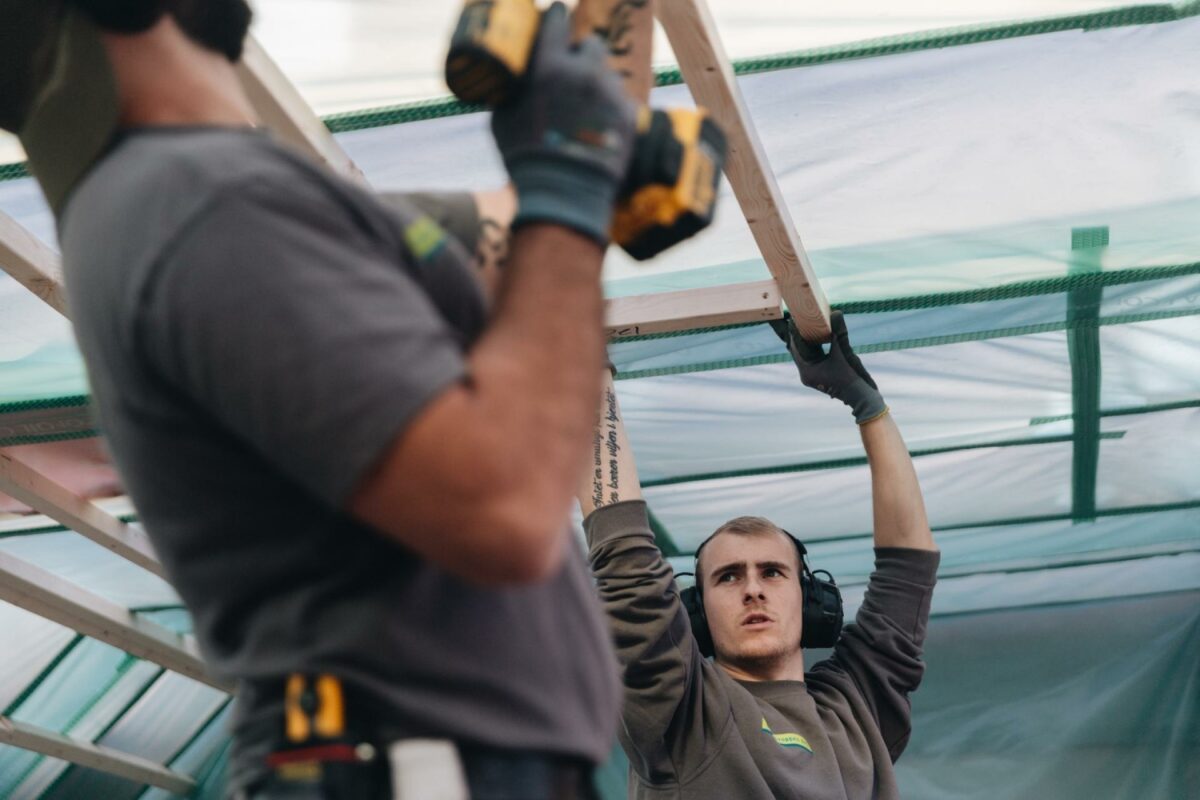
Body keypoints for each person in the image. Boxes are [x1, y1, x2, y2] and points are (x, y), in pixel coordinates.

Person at [2, 2, 642, 798]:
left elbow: (515, 237)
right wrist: (572, 182)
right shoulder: (203, 210)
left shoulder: (225, 200)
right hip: (415, 768)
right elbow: (501, 510)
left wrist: (589, 153)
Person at [579, 311, 940, 799]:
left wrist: (866, 404)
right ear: (696, 613)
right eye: (728, 577)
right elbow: (626, 565)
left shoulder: (854, 710)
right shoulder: (685, 713)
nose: (752, 588)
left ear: (809, 597)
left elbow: (908, 569)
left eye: (772, 572)